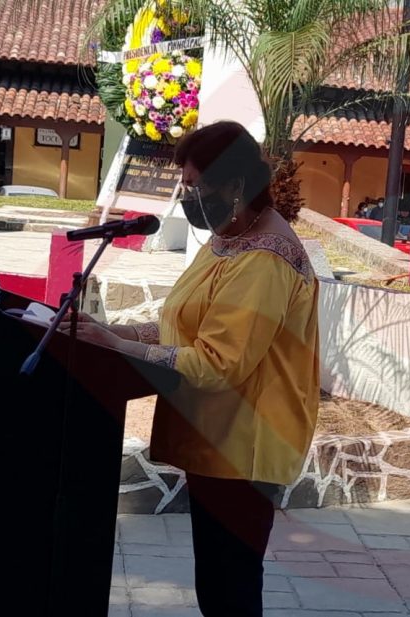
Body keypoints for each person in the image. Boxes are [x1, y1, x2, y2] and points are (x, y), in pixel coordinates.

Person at [67, 121, 319, 616]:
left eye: (195, 186)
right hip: (217, 437)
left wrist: (119, 347)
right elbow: (179, 325)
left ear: (235, 185)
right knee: (218, 587)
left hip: (246, 445)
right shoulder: (230, 236)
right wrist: (109, 333)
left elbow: (218, 363)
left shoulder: (264, 258)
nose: (188, 198)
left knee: (231, 590)